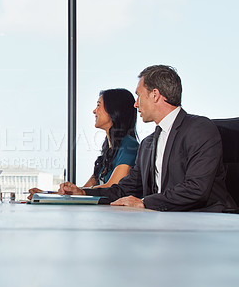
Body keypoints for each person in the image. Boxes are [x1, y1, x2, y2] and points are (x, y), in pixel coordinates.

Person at [59, 65, 236, 212]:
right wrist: (82, 193)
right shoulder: (148, 143)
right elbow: (124, 189)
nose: (136, 104)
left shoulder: (200, 129)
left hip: (208, 221)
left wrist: (145, 203)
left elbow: (197, 189)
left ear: (155, 94)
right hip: (167, 221)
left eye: (138, 95)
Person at [28, 88, 139, 199]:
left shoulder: (129, 146)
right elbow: (83, 191)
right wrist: (45, 194)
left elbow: (112, 188)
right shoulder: (108, 152)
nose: (94, 111)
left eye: (98, 105)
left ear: (114, 110)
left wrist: (78, 192)